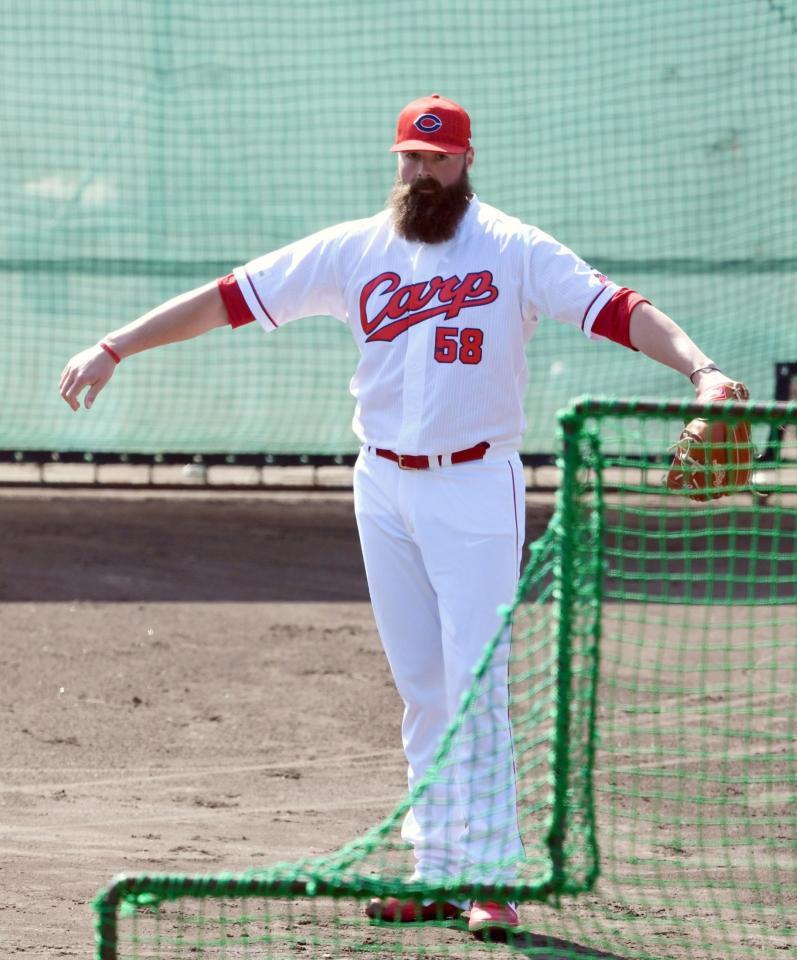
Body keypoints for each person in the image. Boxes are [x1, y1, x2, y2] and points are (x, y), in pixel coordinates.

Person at [59, 93, 738, 937]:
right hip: (380, 483)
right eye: (410, 158)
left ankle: (489, 875)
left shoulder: (514, 248)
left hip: (475, 484)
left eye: (437, 159)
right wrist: (115, 345)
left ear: (466, 161)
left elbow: (617, 309)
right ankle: (436, 870)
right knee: (421, 687)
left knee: (474, 683)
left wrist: (702, 371)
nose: (420, 173)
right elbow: (229, 297)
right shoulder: (354, 248)